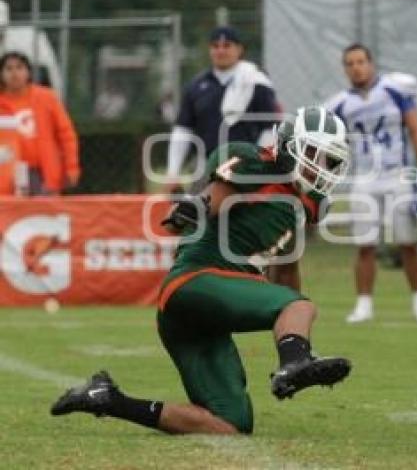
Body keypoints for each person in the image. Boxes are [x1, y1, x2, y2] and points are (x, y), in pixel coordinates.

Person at [51, 106, 353, 435]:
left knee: (230, 424)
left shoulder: (307, 204)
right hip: (195, 280)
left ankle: (108, 398)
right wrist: (193, 207)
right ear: (288, 145)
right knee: (300, 305)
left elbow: (287, 266)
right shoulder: (256, 163)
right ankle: (295, 365)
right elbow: (214, 197)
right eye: (313, 154)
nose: (319, 167)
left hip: (196, 313)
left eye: (329, 160)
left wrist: (291, 325)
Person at [325, 44, 417, 323]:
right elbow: (330, 145)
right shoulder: (339, 104)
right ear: (344, 68)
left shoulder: (394, 90)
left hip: (397, 174)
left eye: (360, 61)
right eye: (349, 63)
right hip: (364, 178)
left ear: (371, 63)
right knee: (365, 244)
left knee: (408, 242)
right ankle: (364, 305)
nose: (356, 67)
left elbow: (415, 129)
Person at [166, 26, 280, 193]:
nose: (221, 50)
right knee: (195, 213)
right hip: (206, 165)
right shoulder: (196, 86)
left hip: (245, 168)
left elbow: (270, 129)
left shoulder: (256, 83)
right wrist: (173, 172)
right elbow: (183, 129)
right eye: (215, 46)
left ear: (239, 49)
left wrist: (259, 165)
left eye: (227, 45)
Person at [0, 51, 79, 195]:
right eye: (9, 69)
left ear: (28, 72)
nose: (14, 73)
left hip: (43, 172)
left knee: (44, 214)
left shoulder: (47, 98)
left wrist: (71, 167)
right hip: (7, 174)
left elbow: (66, 135)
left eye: (19, 68)